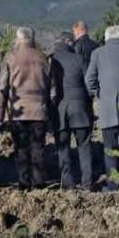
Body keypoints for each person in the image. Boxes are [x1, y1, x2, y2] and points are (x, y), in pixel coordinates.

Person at [0, 27, 50, 189]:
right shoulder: (43, 57)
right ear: (32, 38)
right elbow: (51, 87)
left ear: (18, 39)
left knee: (21, 148)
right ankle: (39, 182)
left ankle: (24, 182)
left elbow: (2, 88)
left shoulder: (11, 58)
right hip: (39, 110)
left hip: (17, 110)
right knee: (38, 147)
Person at [85, 25, 119, 190]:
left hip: (108, 109)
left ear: (106, 38)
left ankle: (113, 185)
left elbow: (89, 79)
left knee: (109, 148)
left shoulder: (97, 53)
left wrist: (100, 94)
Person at [49, 31, 93, 189]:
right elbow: (89, 84)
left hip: (60, 110)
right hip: (80, 108)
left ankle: (68, 184)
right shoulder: (79, 59)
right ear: (69, 42)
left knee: (63, 148)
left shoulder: (51, 60)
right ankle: (87, 183)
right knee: (84, 146)